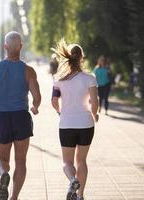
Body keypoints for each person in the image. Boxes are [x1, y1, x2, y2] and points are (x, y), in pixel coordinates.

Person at [0, 31, 41, 200]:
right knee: (20, 161)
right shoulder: (28, 71)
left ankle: (3, 174)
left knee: (2, 160)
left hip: (2, 118)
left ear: (5, 47)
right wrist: (35, 106)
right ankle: (14, 197)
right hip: (21, 117)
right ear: (20, 47)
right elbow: (37, 97)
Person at [51, 39, 99, 200]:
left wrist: (60, 112)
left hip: (67, 124)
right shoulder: (90, 78)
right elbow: (94, 103)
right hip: (86, 124)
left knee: (67, 163)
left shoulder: (58, 79)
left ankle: (73, 180)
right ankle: (80, 196)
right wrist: (95, 114)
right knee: (82, 161)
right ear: (82, 58)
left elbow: (53, 101)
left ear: (67, 58)